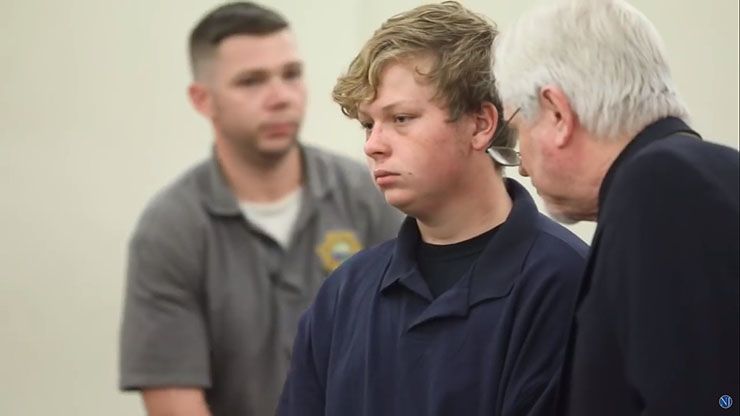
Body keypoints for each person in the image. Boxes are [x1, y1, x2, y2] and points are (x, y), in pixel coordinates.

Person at [277, 2, 589, 415]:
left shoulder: (566, 281)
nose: (373, 145)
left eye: (401, 118)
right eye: (369, 125)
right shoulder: (344, 293)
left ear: (481, 124)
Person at [118, 2, 403, 415]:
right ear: (202, 100)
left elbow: (418, 353)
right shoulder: (171, 229)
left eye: (291, 74)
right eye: (251, 81)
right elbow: (173, 401)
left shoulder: (369, 196)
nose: (280, 97)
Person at [491, 0, 740, 414]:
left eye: (517, 130)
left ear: (557, 114)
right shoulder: (709, 173)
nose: (524, 166)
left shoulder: (660, 189)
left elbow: (705, 399)